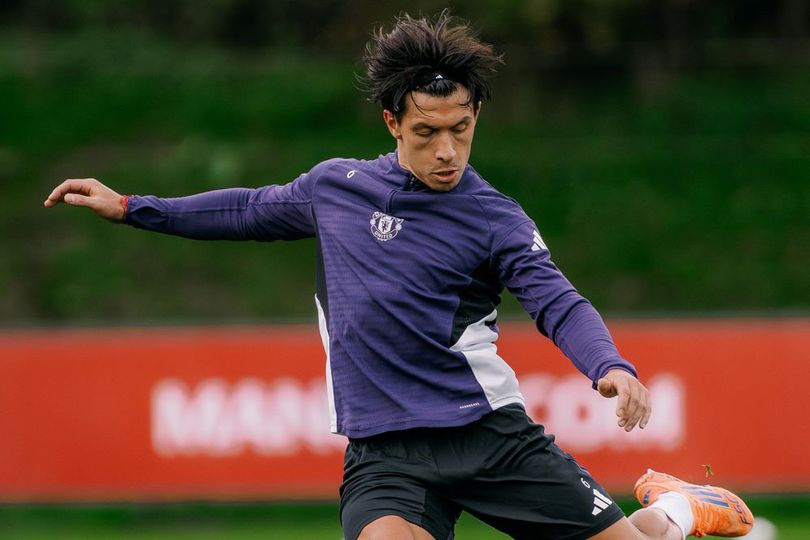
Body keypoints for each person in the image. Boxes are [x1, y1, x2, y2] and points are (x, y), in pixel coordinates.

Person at [44, 12, 753, 540]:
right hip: (386, 452)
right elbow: (246, 210)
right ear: (392, 123)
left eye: (460, 129)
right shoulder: (336, 189)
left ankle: (678, 510)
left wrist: (610, 365)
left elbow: (556, 301)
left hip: (487, 436)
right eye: (426, 133)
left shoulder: (495, 218)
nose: (447, 151)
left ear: (476, 117)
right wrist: (132, 207)